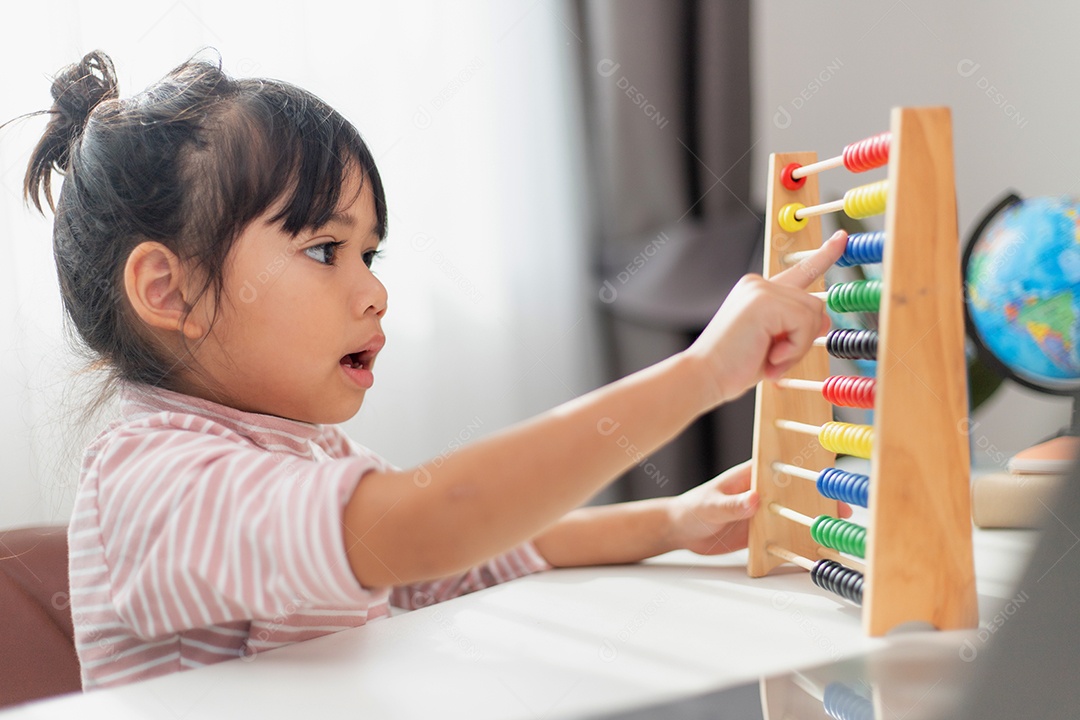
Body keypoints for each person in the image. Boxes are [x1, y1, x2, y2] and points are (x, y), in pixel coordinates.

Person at [19, 50, 846, 690]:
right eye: (323, 250)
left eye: (369, 253)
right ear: (170, 290)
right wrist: (700, 374)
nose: (375, 292)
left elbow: (463, 556)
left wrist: (670, 522)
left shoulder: (302, 455)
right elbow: (430, 525)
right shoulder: (151, 486)